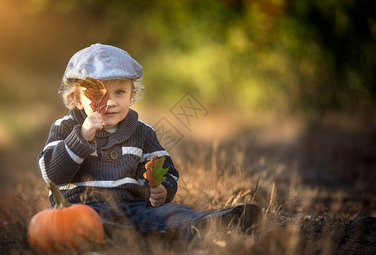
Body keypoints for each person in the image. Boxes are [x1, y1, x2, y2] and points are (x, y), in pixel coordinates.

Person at [38, 43, 261, 241]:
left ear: (132, 94)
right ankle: (120, 236)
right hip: (83, 208)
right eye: (100, 95)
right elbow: (52, 175)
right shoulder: (65, 128)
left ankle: (207, 223)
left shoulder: (142, 132)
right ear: (77, 99)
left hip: (133, 207)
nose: (111, 102)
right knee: (89, 224)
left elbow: (165, 168)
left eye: (119, 92)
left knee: (170, 212)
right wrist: (82, 136)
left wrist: (163, 189)